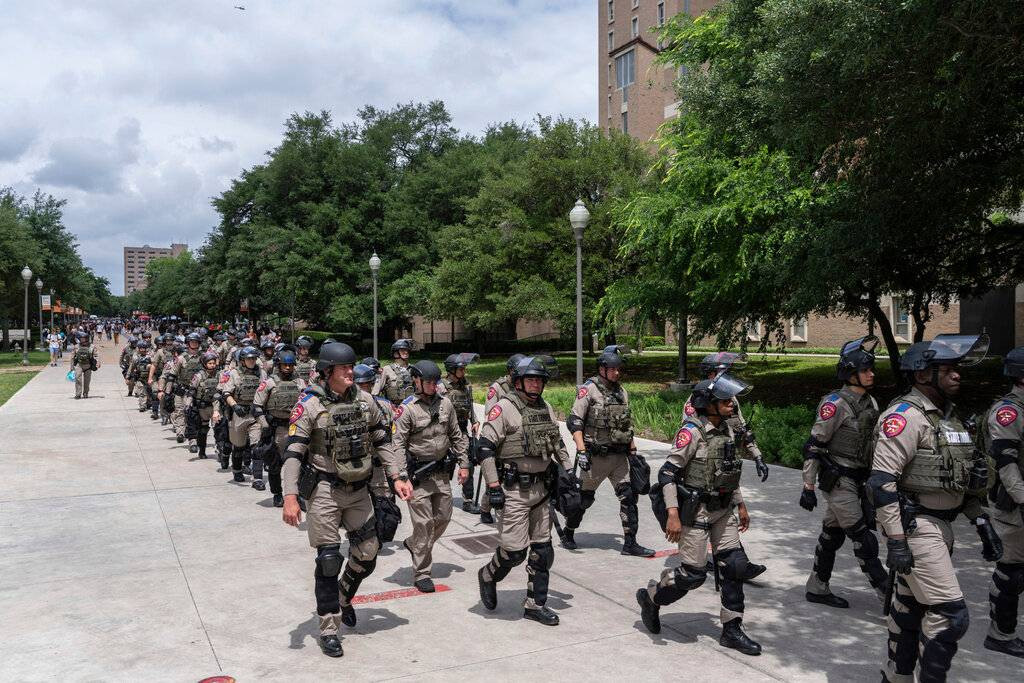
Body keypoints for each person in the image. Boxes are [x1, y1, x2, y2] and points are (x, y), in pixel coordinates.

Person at [869, 334, 1002, 682]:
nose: (957, 375)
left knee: (910, 609)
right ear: (923, 374)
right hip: (917, 527)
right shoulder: (904, 417)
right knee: (950, 615)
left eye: (958, 369)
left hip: (943, 526)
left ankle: (895, 676)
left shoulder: (949, 420)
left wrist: (982, 524)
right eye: (948, 369)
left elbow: (961, 479)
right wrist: (897, 541)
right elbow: (881, 485)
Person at [280, 342, 397, 657]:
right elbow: (293, 453)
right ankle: (329, 628)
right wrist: (290, 496)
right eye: (345, 368)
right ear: (328, 371)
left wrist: (398, 477)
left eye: (352, 367)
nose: (351, 371)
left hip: (359, 491)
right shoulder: (308, 405)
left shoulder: (365, 401)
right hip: (325, 492)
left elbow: (382, 437)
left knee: (369, 552)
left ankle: (345, 595)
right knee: (329, 561)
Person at [636, 374, 762, 655]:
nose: (732, 404)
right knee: (692, 575)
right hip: (696, 512)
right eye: (726, 400)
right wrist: (672, 514)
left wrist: (740, 504)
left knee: (735, 566)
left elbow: (728, 473)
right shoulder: (691, 432)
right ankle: (653, 597)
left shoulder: (728, 430)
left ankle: (731, 629)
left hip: (723, 508)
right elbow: (667, 473)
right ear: (709, 404)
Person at [476, 357, 575, 626]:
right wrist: (493, 486)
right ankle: (488, 575)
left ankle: (534, 605)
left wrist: (568, 472)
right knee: (514, 553)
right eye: (530, 379)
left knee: (542, 552)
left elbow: (557, 444)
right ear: (518, 382)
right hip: (514, 491)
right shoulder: (504, 408)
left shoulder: (546, 408)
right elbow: (484, 448)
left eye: (539, 380)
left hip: (542, 490)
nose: (535, 384)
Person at [800, 336, 888, 607]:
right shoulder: (835, 404)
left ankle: (817, 587)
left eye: (871, 370)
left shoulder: (870, 403)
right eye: (865, 370)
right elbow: (815, 445)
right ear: (851, 373)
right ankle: (888, 595)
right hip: (839, 481)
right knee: (863, 537)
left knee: (832, 534)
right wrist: (808, 486)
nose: (871, 374)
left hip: (860, 478)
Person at [388, 360, 470, 592]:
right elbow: (398, 445)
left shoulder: (446, 404)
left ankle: (414, 544)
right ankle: (422, 572)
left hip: (441, 473)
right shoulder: (408, 409)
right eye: (429, 382)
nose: (434, 386)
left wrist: (464, 464)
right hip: (418, 477)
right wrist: (401, 476)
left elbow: (456, 435)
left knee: (443, 517)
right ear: (417, 381)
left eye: (436, 382)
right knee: (423, 524)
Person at [564, 348, 655, 557]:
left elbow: (626, 425)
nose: (616, 373)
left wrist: (633, 451)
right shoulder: (588, 391)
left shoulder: (622, 392)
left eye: (618, 369)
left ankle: (630, 543)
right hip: (595, 457)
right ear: (602, 369)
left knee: (629, 497)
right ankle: (569, 531)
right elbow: (575, 422)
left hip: (619, 457)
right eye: (612, 369)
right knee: (584, 500)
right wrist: (582, 451)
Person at [977, 346, 1024, 658]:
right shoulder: (1008, 412)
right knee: (1011, 571)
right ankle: (1000, 634)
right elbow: (1006, 466)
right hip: (1012, 506)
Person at [475, 354, 526, 525]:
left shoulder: (523, 386)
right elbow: (490, 414)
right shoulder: (497, 388)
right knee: (495, 474)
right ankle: (485, 508)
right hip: (498, 435)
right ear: (511, 371)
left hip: (517, 436)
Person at [252, 349, 307, 506]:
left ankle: (300, 495)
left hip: (296, 427)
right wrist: (265, 426)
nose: (288, 368)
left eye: (290, 365)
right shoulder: (269, 383)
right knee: (275, 463)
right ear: (278, 365)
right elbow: (256, 407)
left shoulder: (300, 383)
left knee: (300, 461)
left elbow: (308, 403)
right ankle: (277, 493)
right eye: (285, 365)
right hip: (276, 428)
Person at [216, 345, 267, 484]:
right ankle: (237, 471)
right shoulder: (234, 373)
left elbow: (266, 391)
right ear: (242, 360)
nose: (252, 361)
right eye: (249, 358)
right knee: (238, 447)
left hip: (255, 414)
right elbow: (226, 393)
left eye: (254, 358)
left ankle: (257, 478)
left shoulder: (262, 373)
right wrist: (235, 405)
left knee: (257, 447)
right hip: (239, 413)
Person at [440, 353, 481, 513]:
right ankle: (440, 497)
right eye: (461, 369)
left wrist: (475, 420)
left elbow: (468, 405)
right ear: (451, 370)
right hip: (444, 432)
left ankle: (468, 500)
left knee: (468, 463)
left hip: (462, 430)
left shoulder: (465, 385)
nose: (464, 372)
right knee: (443, 465)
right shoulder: (442, 387)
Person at [187, 352, 222, 459]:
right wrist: (188, 405)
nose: (212, 365)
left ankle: (220, 450)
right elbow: (192, 391)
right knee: (203, 430)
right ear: (204, 364)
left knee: (219, 428)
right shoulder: (198, 376)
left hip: (216, 405)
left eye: (213, 363)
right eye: (210, 363)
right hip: (202, 407)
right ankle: (202, 451)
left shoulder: (219, 374)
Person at [374, 339, 415, 404]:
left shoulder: (413, 369)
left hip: (411, 408)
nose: (406, 352)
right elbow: (375, 392)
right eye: (402, 350)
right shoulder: (386, 370)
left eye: (407, 350)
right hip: (393, 408)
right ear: (395, 353)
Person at [71, 332, 99, 399]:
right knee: (78, 379)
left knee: (87, 380)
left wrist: (98, 362)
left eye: (83, 338)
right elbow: (72, 356)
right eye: (81, 338)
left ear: (87, 339)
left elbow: (96, 355)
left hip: (88, 365)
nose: (81, 340)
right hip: (79, 365)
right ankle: (78, 394)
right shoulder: (76, 346)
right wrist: (71, 366)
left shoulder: (92, 346)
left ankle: (86, 393)